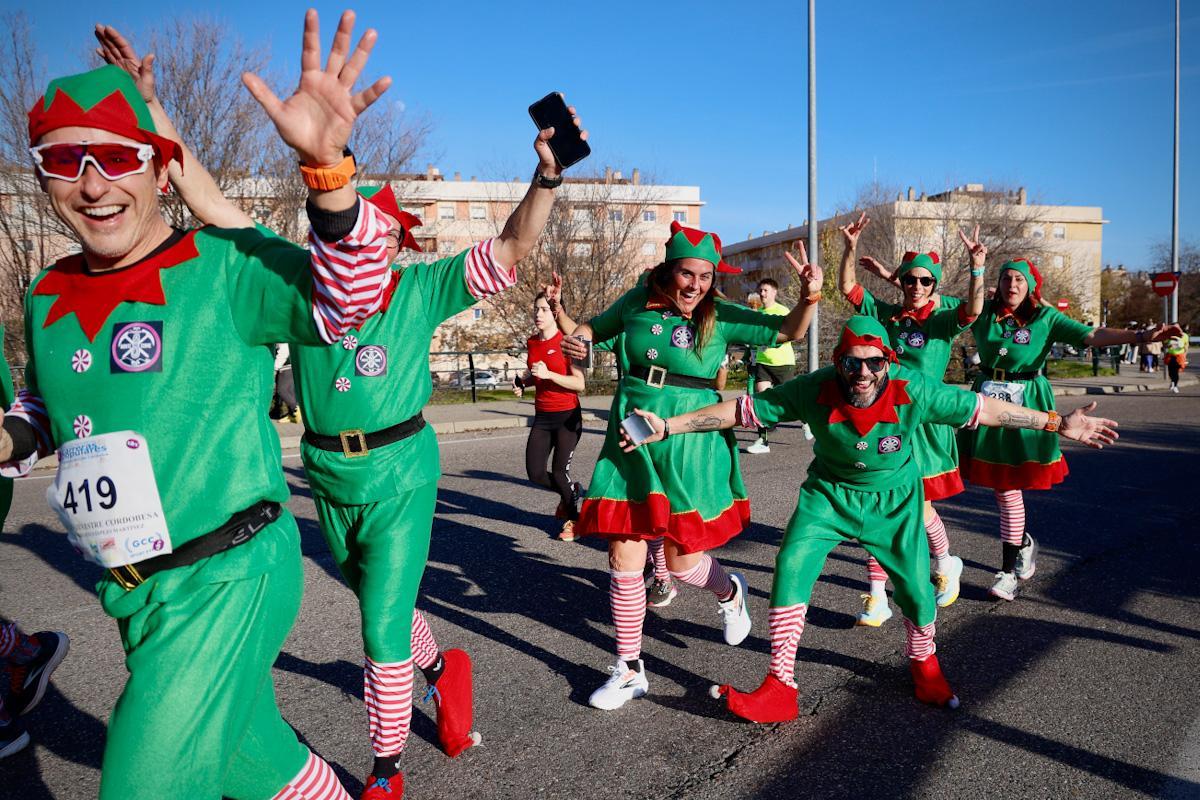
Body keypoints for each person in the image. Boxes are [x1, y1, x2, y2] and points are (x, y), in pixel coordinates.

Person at [95, 26, 588, 796]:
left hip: (400, 473)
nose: (370, 237)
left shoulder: (420, 291)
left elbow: (512, 248)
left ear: (395, 241)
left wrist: (547, 180)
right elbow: (205, 195)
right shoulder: (300, 284)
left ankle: (385, 770)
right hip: (326, 473)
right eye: (362, 224)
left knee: (378, 626)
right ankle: (443, 666)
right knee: (379, 602)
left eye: (382, 229)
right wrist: (150, 107)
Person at [0, 13, 402, 798]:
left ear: (160, 168)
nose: (92, 182)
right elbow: (49, 408)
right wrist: (12, 432)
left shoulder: (220, 265)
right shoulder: (46, 292)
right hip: (135, 591)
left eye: (117, 156)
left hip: (228, 570)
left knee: (141, 781)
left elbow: (351, 301)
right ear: (41, 175)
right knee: (258, 762)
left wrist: (328, 173)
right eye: (64, 160)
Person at [621, 315, 1121, 720]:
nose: (862, 374)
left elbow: (986, 410)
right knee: (791, 567)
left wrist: (1058, 422)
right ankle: (780, 685)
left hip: (893, 501)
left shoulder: (915, 389)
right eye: (851, 364)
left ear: (889, 362)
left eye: (873, 364)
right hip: (828, 496)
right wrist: (667, 426)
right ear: (837, 362)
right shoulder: (814, 388)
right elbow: (738, 413)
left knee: (917, 591)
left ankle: (924, 664)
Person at [559, 222, 822, 710]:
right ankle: (629, 668)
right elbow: (592, 327)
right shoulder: (635, 302)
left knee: (680, 563)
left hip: (689, 440)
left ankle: (730, 592)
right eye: (687, 274)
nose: (695, 285)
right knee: (624, 552)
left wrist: (808, 298)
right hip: (631, 435)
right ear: (668, 270)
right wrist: (579, 340)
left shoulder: (720, 316)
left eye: (704, 277)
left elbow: (788, 330)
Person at [959, 259, 1181, 600]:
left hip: (1026, 400)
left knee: (1008, 486)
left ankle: (1007, 572)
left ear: (1031, 285)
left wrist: (1140, 336)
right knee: (997, 485)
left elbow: (1091, 335)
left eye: (1020, 279)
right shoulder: (984, 312)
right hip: (987, 399)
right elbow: (936, 310)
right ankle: (1023, 544)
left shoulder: (1045, 318)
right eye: (1006, 278)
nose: (1012, 285)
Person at [837, 214, 986, 624]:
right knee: (879, 504)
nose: (917, 287)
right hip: (885, 420)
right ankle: (876, 595)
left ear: (935, 285)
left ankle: (943, 562)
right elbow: (848, 288)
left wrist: (978, 267)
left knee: (917, 507)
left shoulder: (941, 320)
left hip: (925, 423)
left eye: (926, 281)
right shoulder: (886, 315)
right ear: (900, 282)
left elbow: (974, 307)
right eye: (910, 280)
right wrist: (849, 249)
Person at [515, 292, 586, 541]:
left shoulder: (568, 341)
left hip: (567, 417)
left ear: (556, 313)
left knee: (558, 472)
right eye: (536, 309)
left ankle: (573, 520)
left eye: (544, 309)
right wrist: (524, 382)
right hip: (542, 417)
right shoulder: (533, 342)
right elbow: (536, 372)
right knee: (534, 473)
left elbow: (579, 384)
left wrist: (549, 375)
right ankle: (572, 491)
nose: (538, 314)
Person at [746, 277, 806, 454]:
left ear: (774, 292)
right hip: (763, 363)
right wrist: (750, 356)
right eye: (760, 290)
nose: (762, 293)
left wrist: (772, 342)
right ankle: (763, 442)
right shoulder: (757, 313)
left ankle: (806, 421)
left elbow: (792, 334)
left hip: (782, 363)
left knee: (792, 399)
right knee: (761, 400)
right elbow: (754, 338)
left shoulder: (782, 311)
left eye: (765, 290)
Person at [1165, 326, 1190, 393]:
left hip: (1179, 356)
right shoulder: (1170, 335)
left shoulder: (1184, 336)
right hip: (1170, 356)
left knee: (1176, 372)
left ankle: (1175, 386)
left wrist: (1185, 355)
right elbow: (1165, 344)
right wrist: (1169, 345)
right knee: (1170, 372)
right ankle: (1172, 382)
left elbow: (1186, 345)